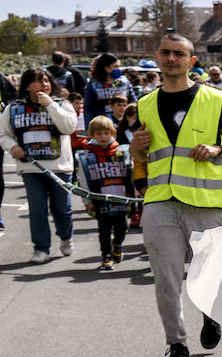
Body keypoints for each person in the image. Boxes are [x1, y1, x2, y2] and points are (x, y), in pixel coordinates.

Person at [129, 33, 222, 357]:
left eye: (179, 53)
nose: (171, 58)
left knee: (207, 272)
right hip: (160, 201)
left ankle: (211, 315)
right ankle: (176, 344)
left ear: (191, 61)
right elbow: (142, 155)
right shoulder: (146, 103)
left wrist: (216, 149)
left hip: (205, 202)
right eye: (165, 52)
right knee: (166, 277)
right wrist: (136, 146)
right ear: (156, 57)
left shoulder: (213, 99)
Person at [0, 68, 78, 263]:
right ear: (26, 86)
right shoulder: (13, 108)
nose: (44, 85)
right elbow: (3, 134)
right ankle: (41, 248)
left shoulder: (62, 105)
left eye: (47, 81)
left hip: (59, 167)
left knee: (62, 208)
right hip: (31, 168)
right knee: (37, 210)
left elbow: (68, 127)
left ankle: (66, 237)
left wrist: (51, 105)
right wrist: (13, 148)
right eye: (38, 81)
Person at [76, 115, 133, 271]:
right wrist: (87, 201)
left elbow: (130, 174)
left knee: (122, 227)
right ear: (92, 135)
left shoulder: (123, 152)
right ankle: (106, 256)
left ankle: (117, 245)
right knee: (104, 230)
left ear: (113, 133)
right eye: (99, 134)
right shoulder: (86, 156)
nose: (103, 137)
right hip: (100, 199)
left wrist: (132, 194)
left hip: (120, 198)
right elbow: (83, 179)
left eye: (106, 133)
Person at [85, 53, 132, 124]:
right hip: (102, 123)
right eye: (115, 67)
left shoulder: (124, 81)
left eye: (119, 66)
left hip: (123, 122)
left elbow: (133, 101)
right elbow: (88, 108)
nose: (118, 69)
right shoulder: (94, 84)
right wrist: (89, 126)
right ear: (106, 68)